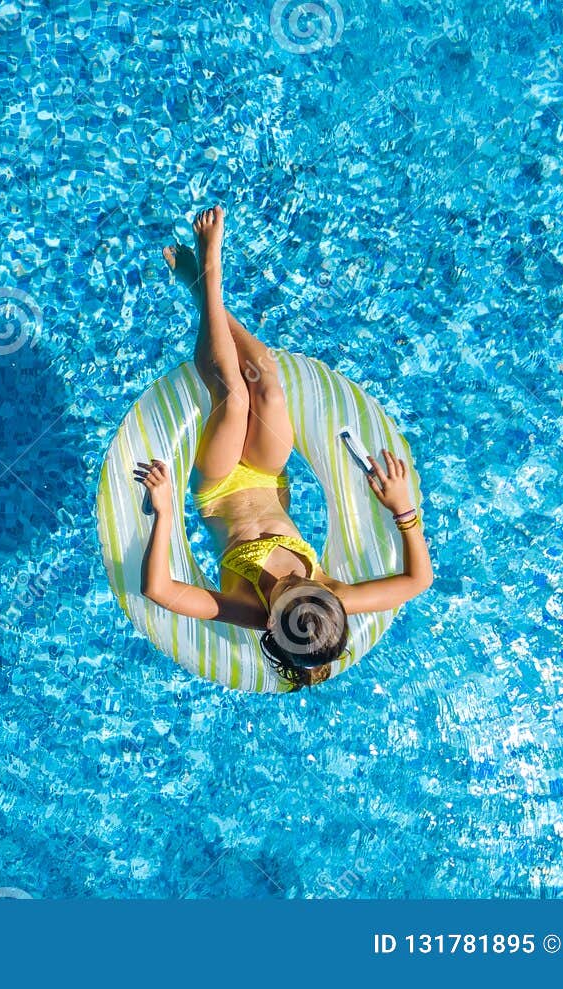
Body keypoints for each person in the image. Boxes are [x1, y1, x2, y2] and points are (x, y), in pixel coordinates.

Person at [133, 206, 433, 687]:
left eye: (291, 590)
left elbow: (158, 589)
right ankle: (201, 291)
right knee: (268, 386)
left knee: (233, 397)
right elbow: (418, 582)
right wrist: (404, 512)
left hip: (218, 486)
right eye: (307, 584)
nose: (296, 581)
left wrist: (165, 513)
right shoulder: (330, 595)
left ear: (273, 624)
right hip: (269, 475)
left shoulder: (246, 609)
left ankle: (211, 277)